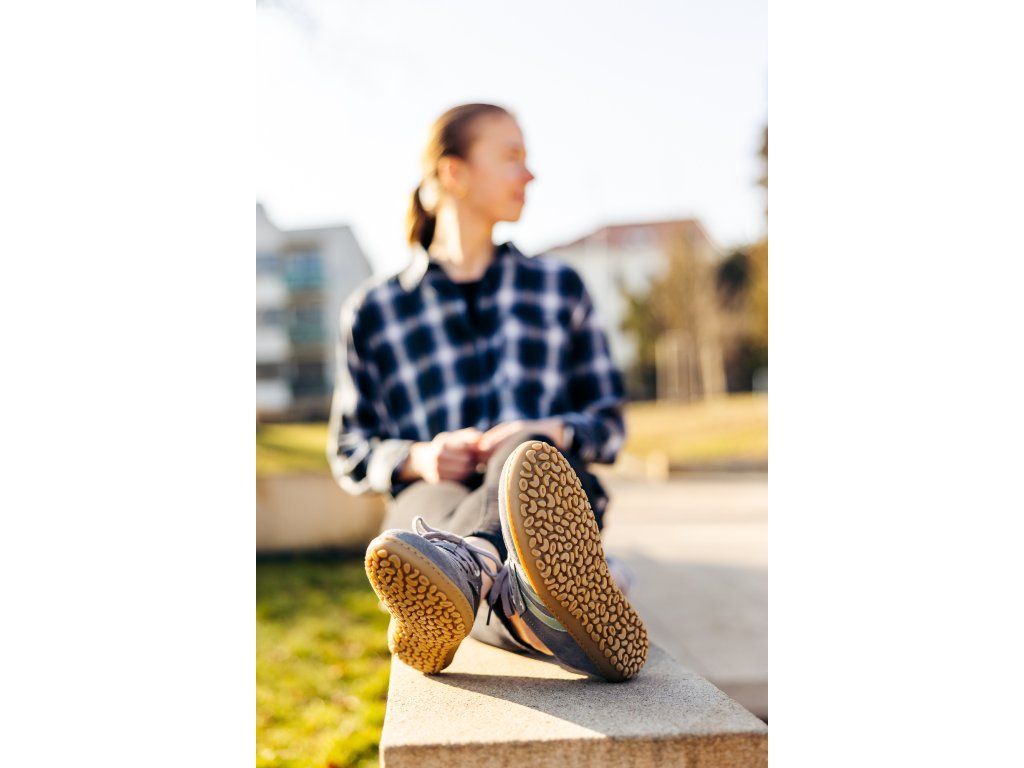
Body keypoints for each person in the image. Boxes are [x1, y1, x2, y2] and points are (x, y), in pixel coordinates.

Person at [326, 102, 648, 682]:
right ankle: (536, 615)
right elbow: (350, 447)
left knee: (522, 453)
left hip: (548, 498)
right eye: (512, 157)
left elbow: (609, 423)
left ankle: (471, 565)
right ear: (455, 173)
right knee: (427, 539)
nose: (530, 174)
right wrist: (419, 456)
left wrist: (550, 430)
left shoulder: (558, 287)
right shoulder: (373, 310)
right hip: (434, 498)